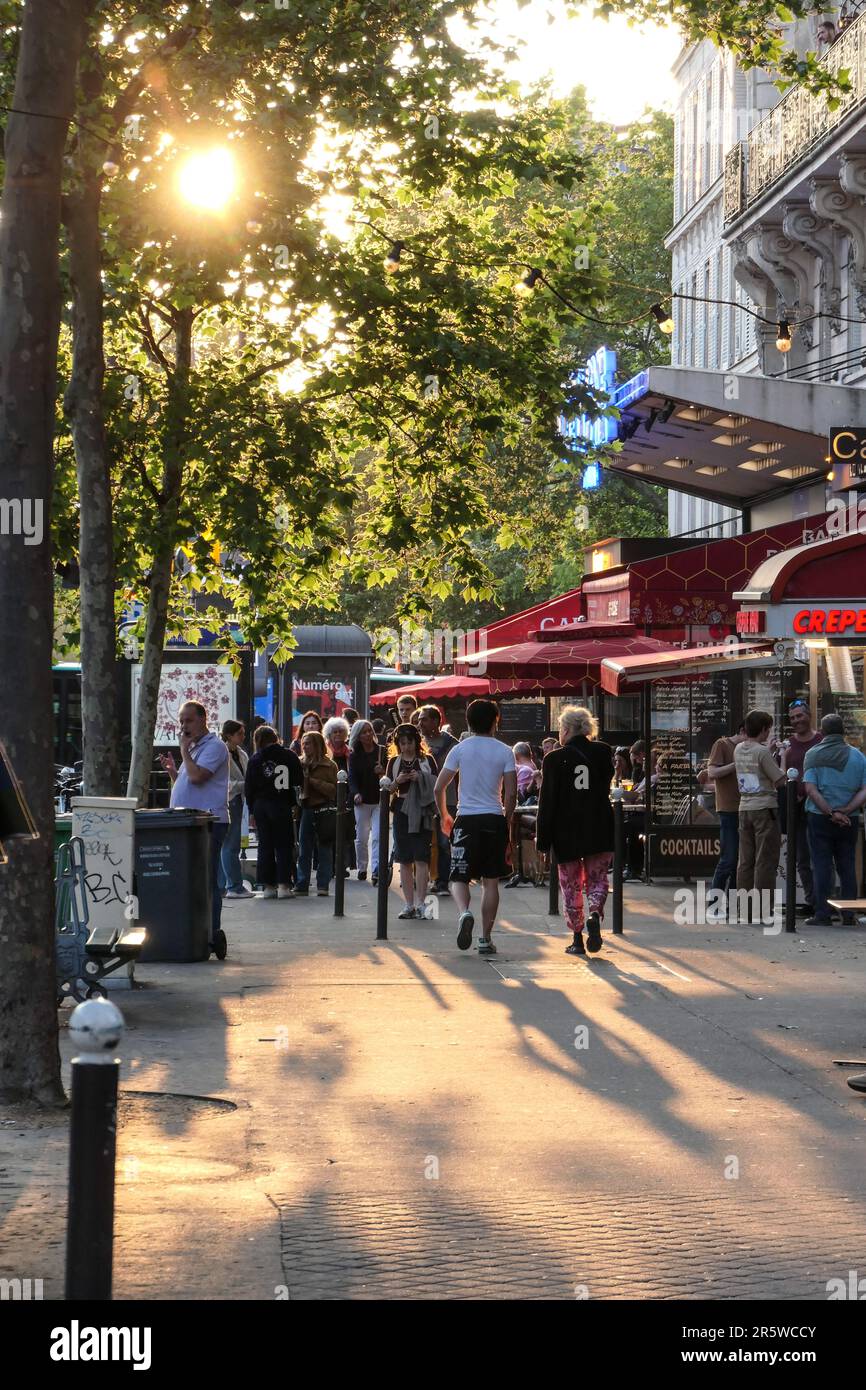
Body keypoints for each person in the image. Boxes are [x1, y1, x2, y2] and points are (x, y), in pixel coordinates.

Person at [434, 699, 517, 955]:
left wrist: (445, 814)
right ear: (496, 720)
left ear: (468, 721)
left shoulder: (459, 750)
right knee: (490, 882)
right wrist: (508, 823)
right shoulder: (505, 751)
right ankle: (485, 938)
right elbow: (511, 794)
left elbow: (439, 787)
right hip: (494, 818)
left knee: (458, 876)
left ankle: (464, 912)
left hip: (466, 818)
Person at [535, 706, 614, 956]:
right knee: (598, 878)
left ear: (567, 729)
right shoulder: (603, 752)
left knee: (570, 884)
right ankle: (594, 913)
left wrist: (543, 842)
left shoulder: (554, 759)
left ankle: (577, 937)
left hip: (566, 830)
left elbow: (547, 803)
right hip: (599, 826)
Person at [159, 701, 230, 958]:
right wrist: (172, 773)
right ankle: (193, 930)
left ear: (203, 719)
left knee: (207, 879)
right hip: (187, 821)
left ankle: (211, 933)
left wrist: (183, 752)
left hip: (209, 822)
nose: (184, 726)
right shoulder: (194, 748)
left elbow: (199, 777)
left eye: (188, 720)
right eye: (181, 721)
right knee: (189, 879)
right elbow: (188, 781)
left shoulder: (214, 746)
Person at [803, 713, 866, 926]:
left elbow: (811, 790)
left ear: (822, 731)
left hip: (820, 818)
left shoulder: (813, 754)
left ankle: (822, 914)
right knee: (847, 865)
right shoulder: (858, 757)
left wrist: (831, 812)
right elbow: (864, 790)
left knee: (821, 865)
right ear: (843, 732)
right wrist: (846, 811)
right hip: (849, 820)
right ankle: (849, 914)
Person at [734, 709, 787, 918]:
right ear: (763, 729)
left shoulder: (738, 748)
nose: (768, 733)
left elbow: (755, 766)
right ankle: (763, 910)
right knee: (765, 860)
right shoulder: (762, 751)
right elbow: (780, 780)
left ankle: (744, 909)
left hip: (744, 808)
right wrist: (783, 758)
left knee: (745, 860)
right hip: (765, 808)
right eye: (768, 729)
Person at [386, 723, 438, 918]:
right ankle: (408, 904)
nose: (407, 747)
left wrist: (421, 777)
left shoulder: (427, 760)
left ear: (417, 742)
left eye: (410, 742)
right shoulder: (394, 762)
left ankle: (422, 903)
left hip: (422, 810)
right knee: (404, 858)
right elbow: (387, 789)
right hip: (401, 809)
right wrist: (398, 781)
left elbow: (437, 783)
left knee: (422, 857)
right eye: (403, 743)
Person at [244, 725, 303, 899]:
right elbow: (298, 779)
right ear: (275, 738)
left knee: (265, 845)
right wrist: (293, 802)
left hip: (261, 805)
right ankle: (284, 885)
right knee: (284, 845)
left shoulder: (255, 759)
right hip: (281, 803)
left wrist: (251, 810)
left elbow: (249, 787)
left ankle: (268, 886)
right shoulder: (289, 755)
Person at [780, 699, 822, 916]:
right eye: (793, 717)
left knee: (820, 858)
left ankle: (824, 903)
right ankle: (811, 900)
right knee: (801, 857)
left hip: (817, 806)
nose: (796, 721)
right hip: (794, 808)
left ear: (809, 715)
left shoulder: (821, 740)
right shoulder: (788, 744)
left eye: (799, 716)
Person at [705, 723, 746, 912]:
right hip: (729, 809)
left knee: (741, 859)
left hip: (747, 808)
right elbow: (712, 772)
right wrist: (736, 764)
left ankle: (733, 902)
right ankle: (714, 902)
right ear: (744, 731)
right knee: (729, 858)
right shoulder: (722, 744)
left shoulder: (751, 749)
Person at [418, 704, 458, 892]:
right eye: (419, 719)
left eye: (424, 719)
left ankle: (442, 881)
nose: (420, 723)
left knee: (444, 842)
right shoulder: (417, 742)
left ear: (436, 721)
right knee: (423, 840)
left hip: (447, 799)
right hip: (422, 800)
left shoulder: (452, 743)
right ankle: (422, 879)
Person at [295, 731, 338, 896]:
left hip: (324, 809)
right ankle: (302, 883)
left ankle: (323, 885)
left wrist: (312, 781)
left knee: (324, 849)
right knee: (304, 849)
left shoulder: (329, 765)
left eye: (308, 743)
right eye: (303, 743)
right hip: (305, 809)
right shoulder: (298, 764)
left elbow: (333, 790)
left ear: (318, 745)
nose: (305, 747)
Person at [348, 719, 386, 882]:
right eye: (364, 732)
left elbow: (390, 774)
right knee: (361, 837)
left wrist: (382, 771)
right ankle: (362, 867)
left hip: (379, 800)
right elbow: (352, 777)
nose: (368, 734)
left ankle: (377, 869)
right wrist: (355, 793)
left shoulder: (382, 751)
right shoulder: (354, 755)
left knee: (378, 836)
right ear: (358, 735)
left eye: (370, 730)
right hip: (362, 801)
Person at [218, 719, 251, 899]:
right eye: (240, 733)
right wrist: (243, 785)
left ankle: (224, 885)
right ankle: (234, 886)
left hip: (238, 800)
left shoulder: (241, 753)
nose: (243, 736)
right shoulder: (222, 753)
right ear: (229, 735)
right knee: (230, 845)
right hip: (230, 800)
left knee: (229, 845)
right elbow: (224, 783)